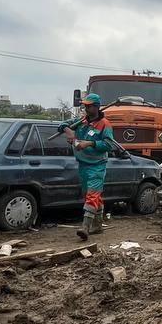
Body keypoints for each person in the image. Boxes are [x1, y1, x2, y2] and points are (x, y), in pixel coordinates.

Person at [60, 92, 116, 238]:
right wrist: (69, 132)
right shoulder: (82, 121)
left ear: (96, 107)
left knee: (92, 194)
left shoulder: (105, 125)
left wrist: (89, 143)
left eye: (89, 106)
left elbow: (109, 145)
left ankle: (85, 227)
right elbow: (62, 125)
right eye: (84, 105)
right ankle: (97, 225)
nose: (85, 108)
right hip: (83, 164)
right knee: (89, 195)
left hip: (97, 165)